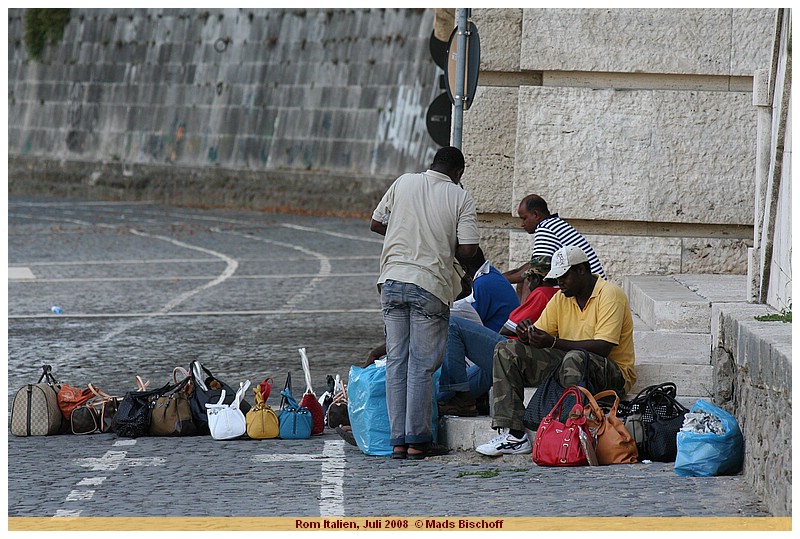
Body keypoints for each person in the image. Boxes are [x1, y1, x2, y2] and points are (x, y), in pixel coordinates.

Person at [370, 146, 479, 460]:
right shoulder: (460, 197)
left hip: (391, 281)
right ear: (458, 172)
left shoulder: (404, 182)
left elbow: (376, 223)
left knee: (396, 361)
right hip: (429, 285)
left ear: (432, 164)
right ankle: (417, 441)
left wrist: (408, 233)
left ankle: (397, 442)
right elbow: (470, 249)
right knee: (420, 366)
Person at [476, 245, 636, 456]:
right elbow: (543, 334)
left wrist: (552, 343)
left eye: (564, 276)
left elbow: (603, 348)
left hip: (612, 374)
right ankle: (514, 434)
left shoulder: (610, 295)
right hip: (571, 363)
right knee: (507, 349)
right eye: (556, 277)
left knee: (575, 357)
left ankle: (568, 431)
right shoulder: (562, 297)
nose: (559, 282)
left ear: (581, 270)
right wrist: (528, 335)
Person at [437, 255, 559, 416]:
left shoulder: (542, 293)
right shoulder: (557, 296)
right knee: (482, 373)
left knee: (451, 324)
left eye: (528, 279)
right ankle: (447, 400)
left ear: (535, 278)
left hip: (514, 354)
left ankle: (438, 400)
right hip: (520, 358)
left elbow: (507, 329)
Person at [503, 194, 606, 301]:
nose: (522, 224)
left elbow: (534, 270)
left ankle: (524, 316)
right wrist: (500, 277)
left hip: (591, 291)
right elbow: (531, 265)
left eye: (524, 218)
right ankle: (522, 314)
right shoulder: (554, 224)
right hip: (593, 286)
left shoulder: (545, 228)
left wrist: (498, 280)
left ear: (536, 214)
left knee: (530, 280)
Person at [455, 246, 519, 333]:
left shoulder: (482, 283)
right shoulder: (491, 273)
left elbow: (471, 319)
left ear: (464, 268)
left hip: (499, 338)